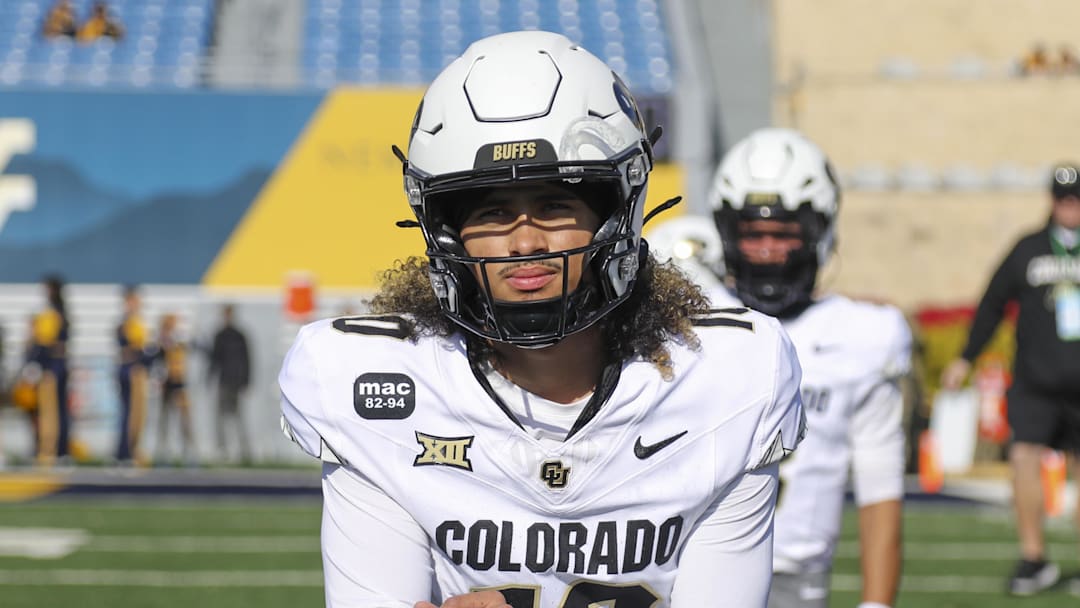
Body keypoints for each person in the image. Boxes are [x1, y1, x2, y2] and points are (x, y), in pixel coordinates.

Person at [279, 31, 806, 608]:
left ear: (616, 214)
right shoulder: (370, 384)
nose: (526, 242)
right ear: (447, 232)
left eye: (556, 205)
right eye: (492, 211)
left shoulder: (727, 376)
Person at [698, 128, 909, 608]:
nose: (767, 249)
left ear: (819, 232)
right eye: (753, 234)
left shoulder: (863, 337)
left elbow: (881, 489)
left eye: (784, 234)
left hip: (797, 583)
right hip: (692, 571)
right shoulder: (692, 320)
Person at [941, 162, 1080, 597]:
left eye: (1076, 199)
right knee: (1023, 458)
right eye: (1062, 198)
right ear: (1051, 200)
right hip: (1036, 382)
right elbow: (992, 303)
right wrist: (965, 358)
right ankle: (1033, 558)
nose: (1069, 206)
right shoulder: (1029, 248)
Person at [27, 274, 72, 466]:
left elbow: (43, 343)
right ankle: (61, 450)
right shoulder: (63, 312)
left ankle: (49, 450)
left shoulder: (51, 314)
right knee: (61, 410)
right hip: (60, 365)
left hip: (50, 367)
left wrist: (33, 361)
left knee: (49, 411)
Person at [149, 313, 194, 464]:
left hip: (179, 383)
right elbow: (157, 364)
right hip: (166, 384)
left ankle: (188, 451)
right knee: (164, 419)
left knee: (184, 420)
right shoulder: (159, 342)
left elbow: (184, 356)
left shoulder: (179, 340)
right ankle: (162, 451)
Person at [209, 304, 251, 463]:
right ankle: (223, 450)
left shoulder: (239, 336)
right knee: (220, 416)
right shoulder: (220, 335)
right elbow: (214, 359)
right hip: (224, 381)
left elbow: (247, 359)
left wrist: (246, 380)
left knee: (238, 417)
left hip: (236, 381)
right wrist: (210, 377)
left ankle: (244, 450)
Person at [115, 284, 149, 464]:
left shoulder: (132, 321)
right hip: (131, 369)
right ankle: (126, 452)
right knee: (131, 413)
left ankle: (128, 450)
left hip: (130, 367)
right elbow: (136, 348)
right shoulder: (129, 322)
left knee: (133, 413)